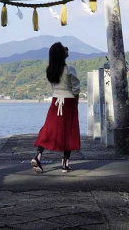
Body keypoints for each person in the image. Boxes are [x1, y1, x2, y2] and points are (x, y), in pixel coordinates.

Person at [31, 42, 81, 173]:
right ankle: (65, 164)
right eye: (64, 48)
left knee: (49, 129)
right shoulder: (70, 69)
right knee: (68, 130)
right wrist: (76, 99)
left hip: (55, 101)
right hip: (69, 102)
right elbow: (76, 88)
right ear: (61, 54)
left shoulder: (50, 70)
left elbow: (53, 87)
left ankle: (38, 156)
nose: (67, 48)